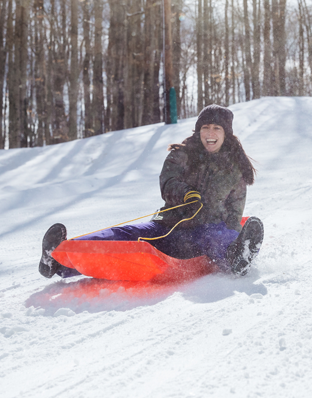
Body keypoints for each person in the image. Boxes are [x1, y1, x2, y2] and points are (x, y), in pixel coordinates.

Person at [39, 104, 264, 278]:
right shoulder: (182, 155)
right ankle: (58, 258)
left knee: (218, 236)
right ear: (198, 131)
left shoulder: (234, 170)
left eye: (216, 128)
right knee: (123, 234)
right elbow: (168, 181)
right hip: (168, 226)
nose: (210, 133)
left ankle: (237, 256)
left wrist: (233, 235)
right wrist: (186, 193)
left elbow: (234, 213)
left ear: (226, 134)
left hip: (203, 233)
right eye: (205, 127)